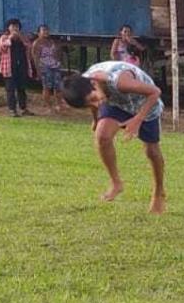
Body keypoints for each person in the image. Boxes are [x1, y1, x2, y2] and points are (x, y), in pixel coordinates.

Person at [61, 61, 166, 214]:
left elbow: (155, 92)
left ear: (94, 83)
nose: (96, 104)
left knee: (152, 152)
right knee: (102, 136)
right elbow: (92, 102)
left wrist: (137, 120)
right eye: (90, 103)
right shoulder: (84, 83)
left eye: (93, 98)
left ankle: (158, 193)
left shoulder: (120, 81)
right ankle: (116, 183)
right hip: (116, 103)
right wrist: (96, 119)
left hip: (145, 103)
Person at [0, 18, 32, 117]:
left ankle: (23, 108)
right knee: (10, 89)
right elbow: (1, 48)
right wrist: (10, 38)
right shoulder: (4, 37)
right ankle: (12, 109)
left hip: (21, 66)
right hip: (9, 67)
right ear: (8, 28)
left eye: (16, 26)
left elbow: (28, 46)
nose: (15, 28)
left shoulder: (23, 37)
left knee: (22, 88)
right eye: (12, 26)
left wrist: (20, 38)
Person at [31, 24, 63, 114]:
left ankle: (59, 105)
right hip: (45, 67)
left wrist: (58, 62)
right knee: (47, 87)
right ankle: (49, 107)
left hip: (55, 66)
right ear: (38, 33)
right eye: (43, 30)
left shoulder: (51, 42)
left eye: (47, 30)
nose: (46, 32)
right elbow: (35, 58)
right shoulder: (36, 43)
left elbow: (56, 54)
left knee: (58, 87)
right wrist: (38, 71)